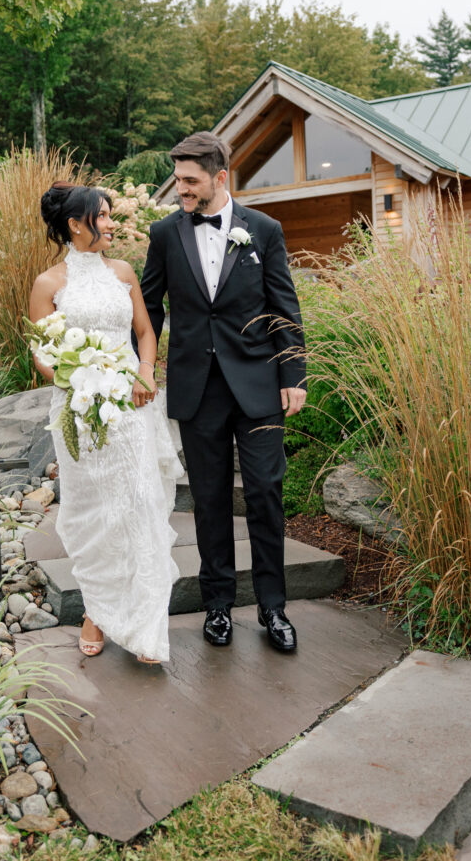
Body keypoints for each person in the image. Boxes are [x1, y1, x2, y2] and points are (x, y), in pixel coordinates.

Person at [140, 132, 307, 652]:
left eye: (190, 180)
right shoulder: (164, 234)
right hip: (197, 388)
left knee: (265, 493)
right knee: (209, 500)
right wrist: (138, 367)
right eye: (178, 180)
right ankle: (218, 605)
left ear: (219, 177)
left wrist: (293, 375)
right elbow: (149, 309)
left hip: (258, 384)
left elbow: (283, 307)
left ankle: (273, 607)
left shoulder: (264, 230)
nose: (181, 189)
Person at [29, 183, 182, 665]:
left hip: (131, 408)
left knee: (140, 506)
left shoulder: (123, 272)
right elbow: (42, 355)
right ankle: (96, 611)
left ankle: (146, 627)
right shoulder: (48, 284)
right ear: (76, 224)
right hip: (80, 411)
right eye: (103, 216)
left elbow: (144, 331)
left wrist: (145, 372)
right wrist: (78, 380)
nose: (112, 224)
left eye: (112, 215)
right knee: (94, 513)